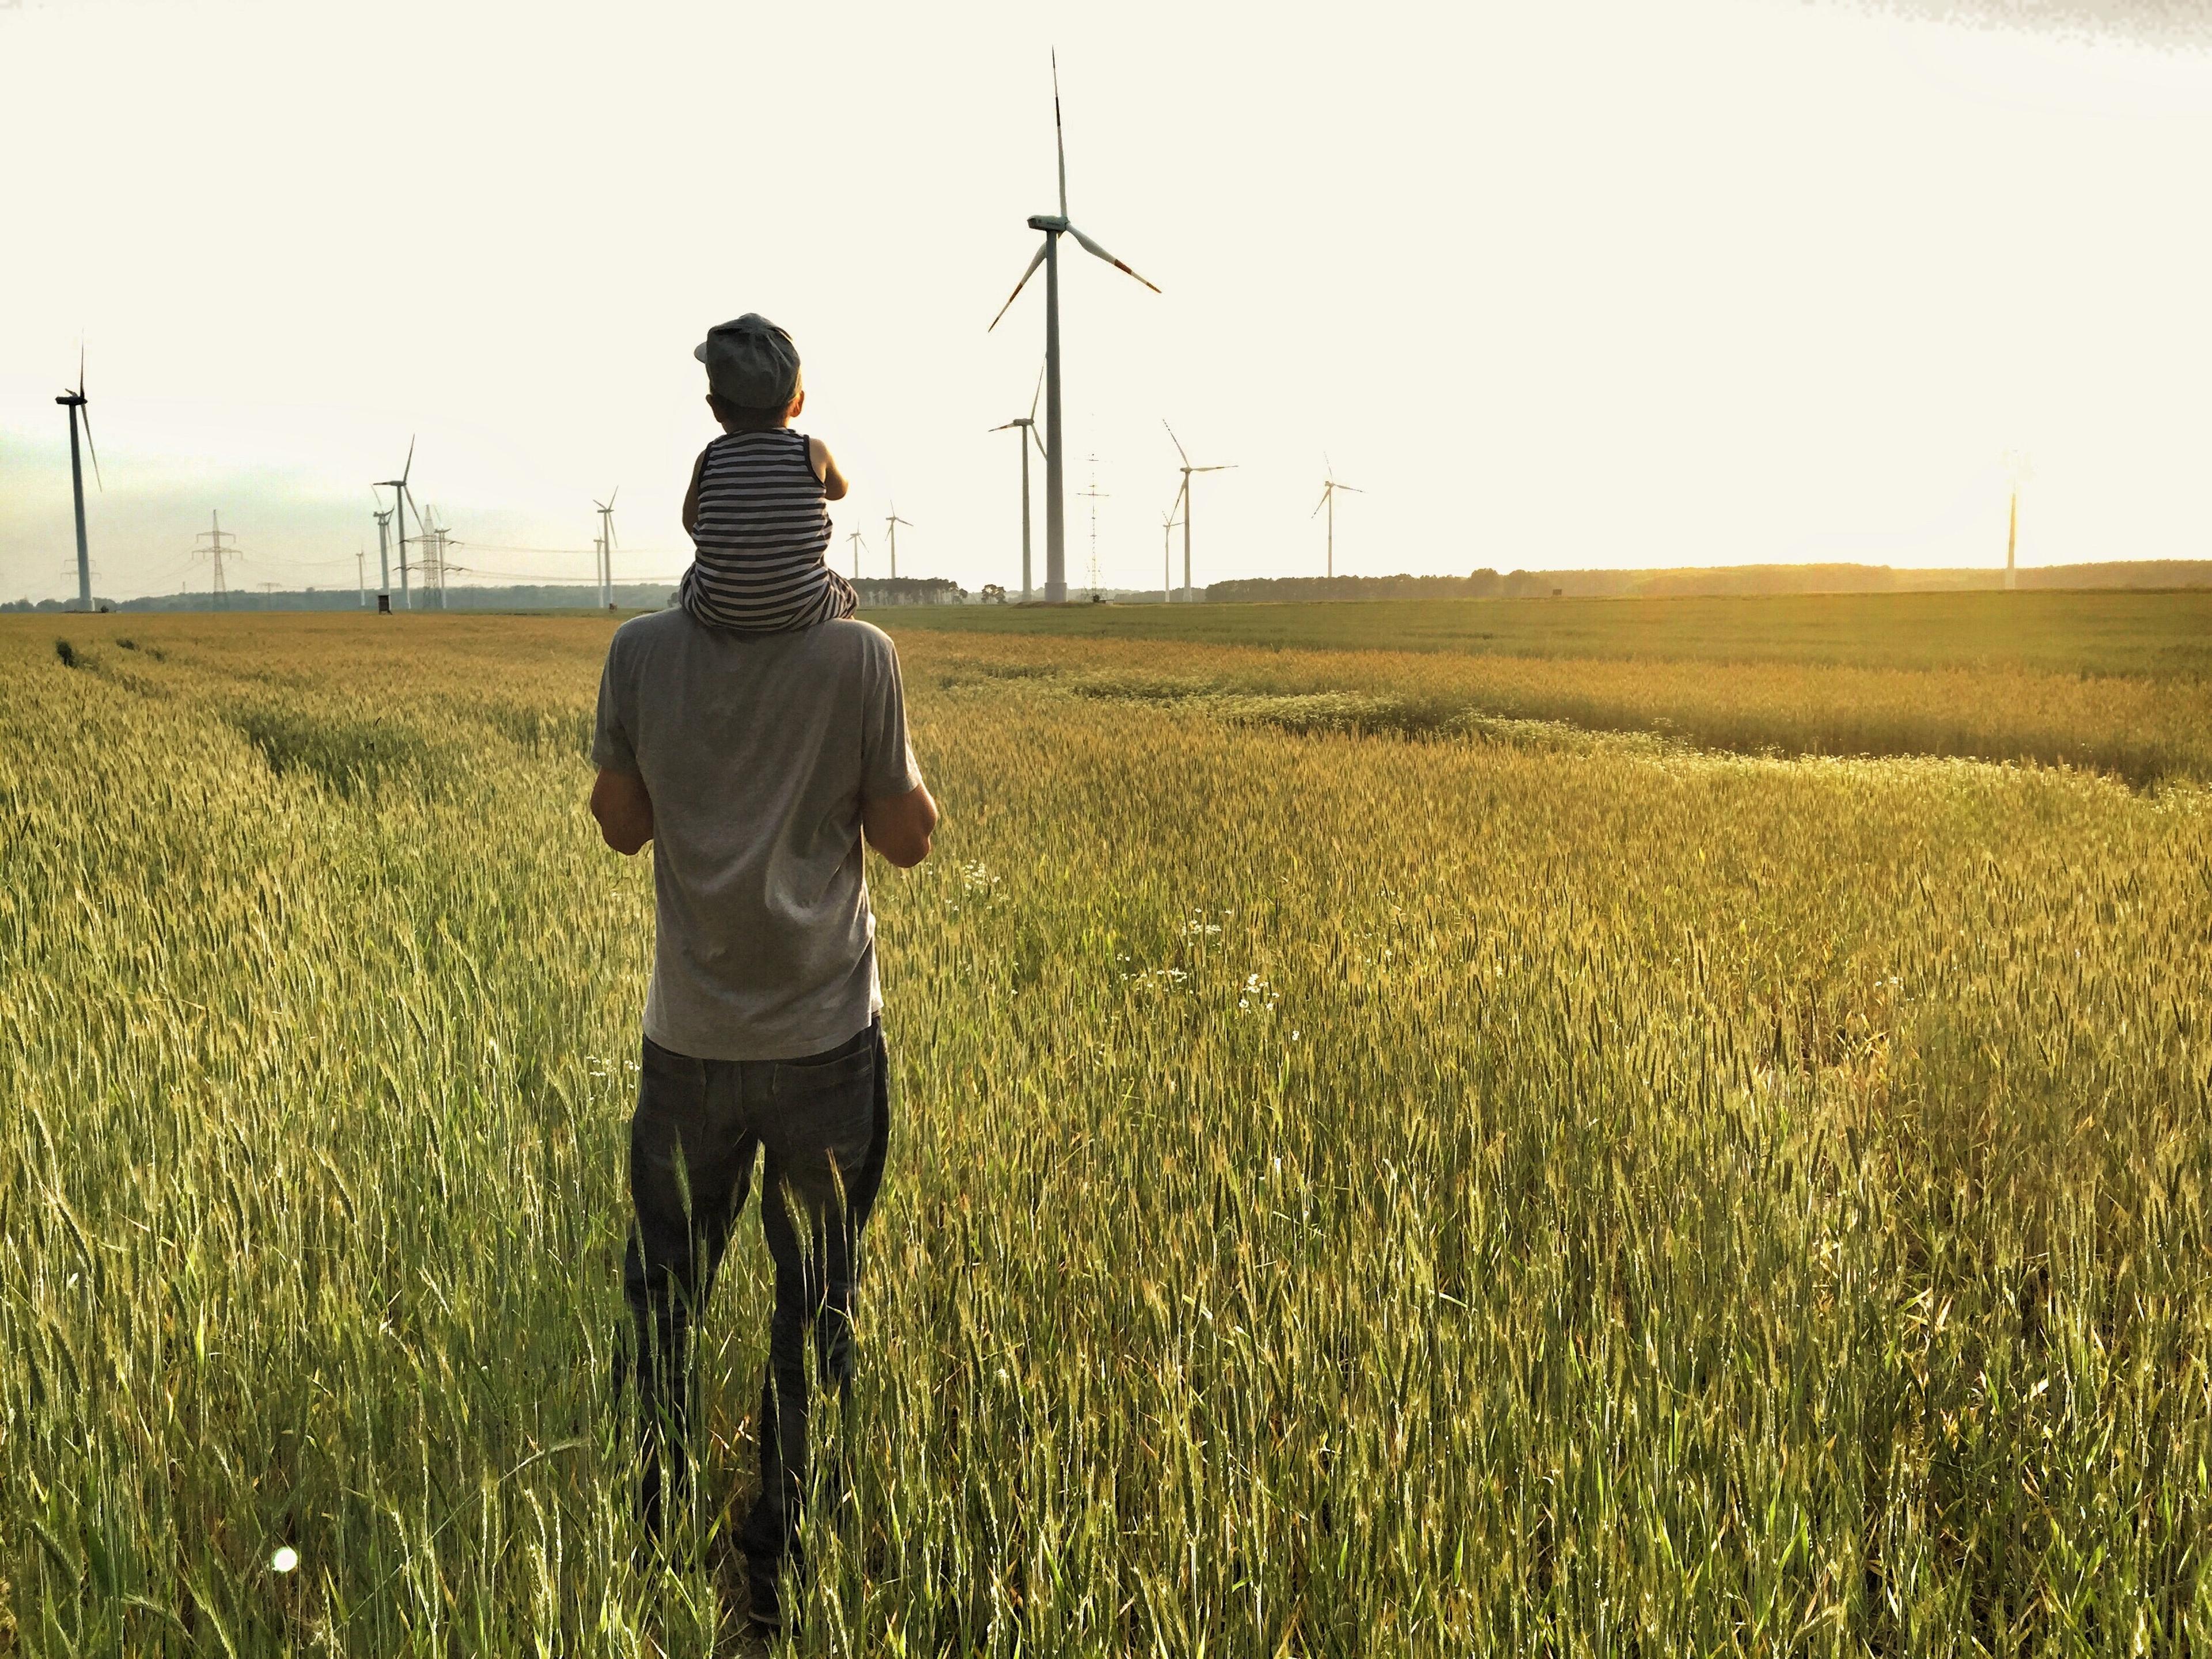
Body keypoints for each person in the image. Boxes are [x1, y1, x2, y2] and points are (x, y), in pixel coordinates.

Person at [589, 332, 937, 1631]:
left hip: (689, 1045)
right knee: (814, 1301)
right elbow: (903, 837)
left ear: (708, 423)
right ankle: (777, 1553)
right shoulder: (861, 661)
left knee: (665, 1299)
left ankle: (656, 1527)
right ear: (797, 414)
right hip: (826, 1044)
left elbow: (622, 823)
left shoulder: (640, 652)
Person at [679, 312, 860, 633]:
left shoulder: (708, 458)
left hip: (714, 607)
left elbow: (690, 521)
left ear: (715, 406)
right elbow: (839, 490)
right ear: (798, 404)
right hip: (805, 604)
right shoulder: (813, 451)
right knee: (846, 594)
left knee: (691, 582)